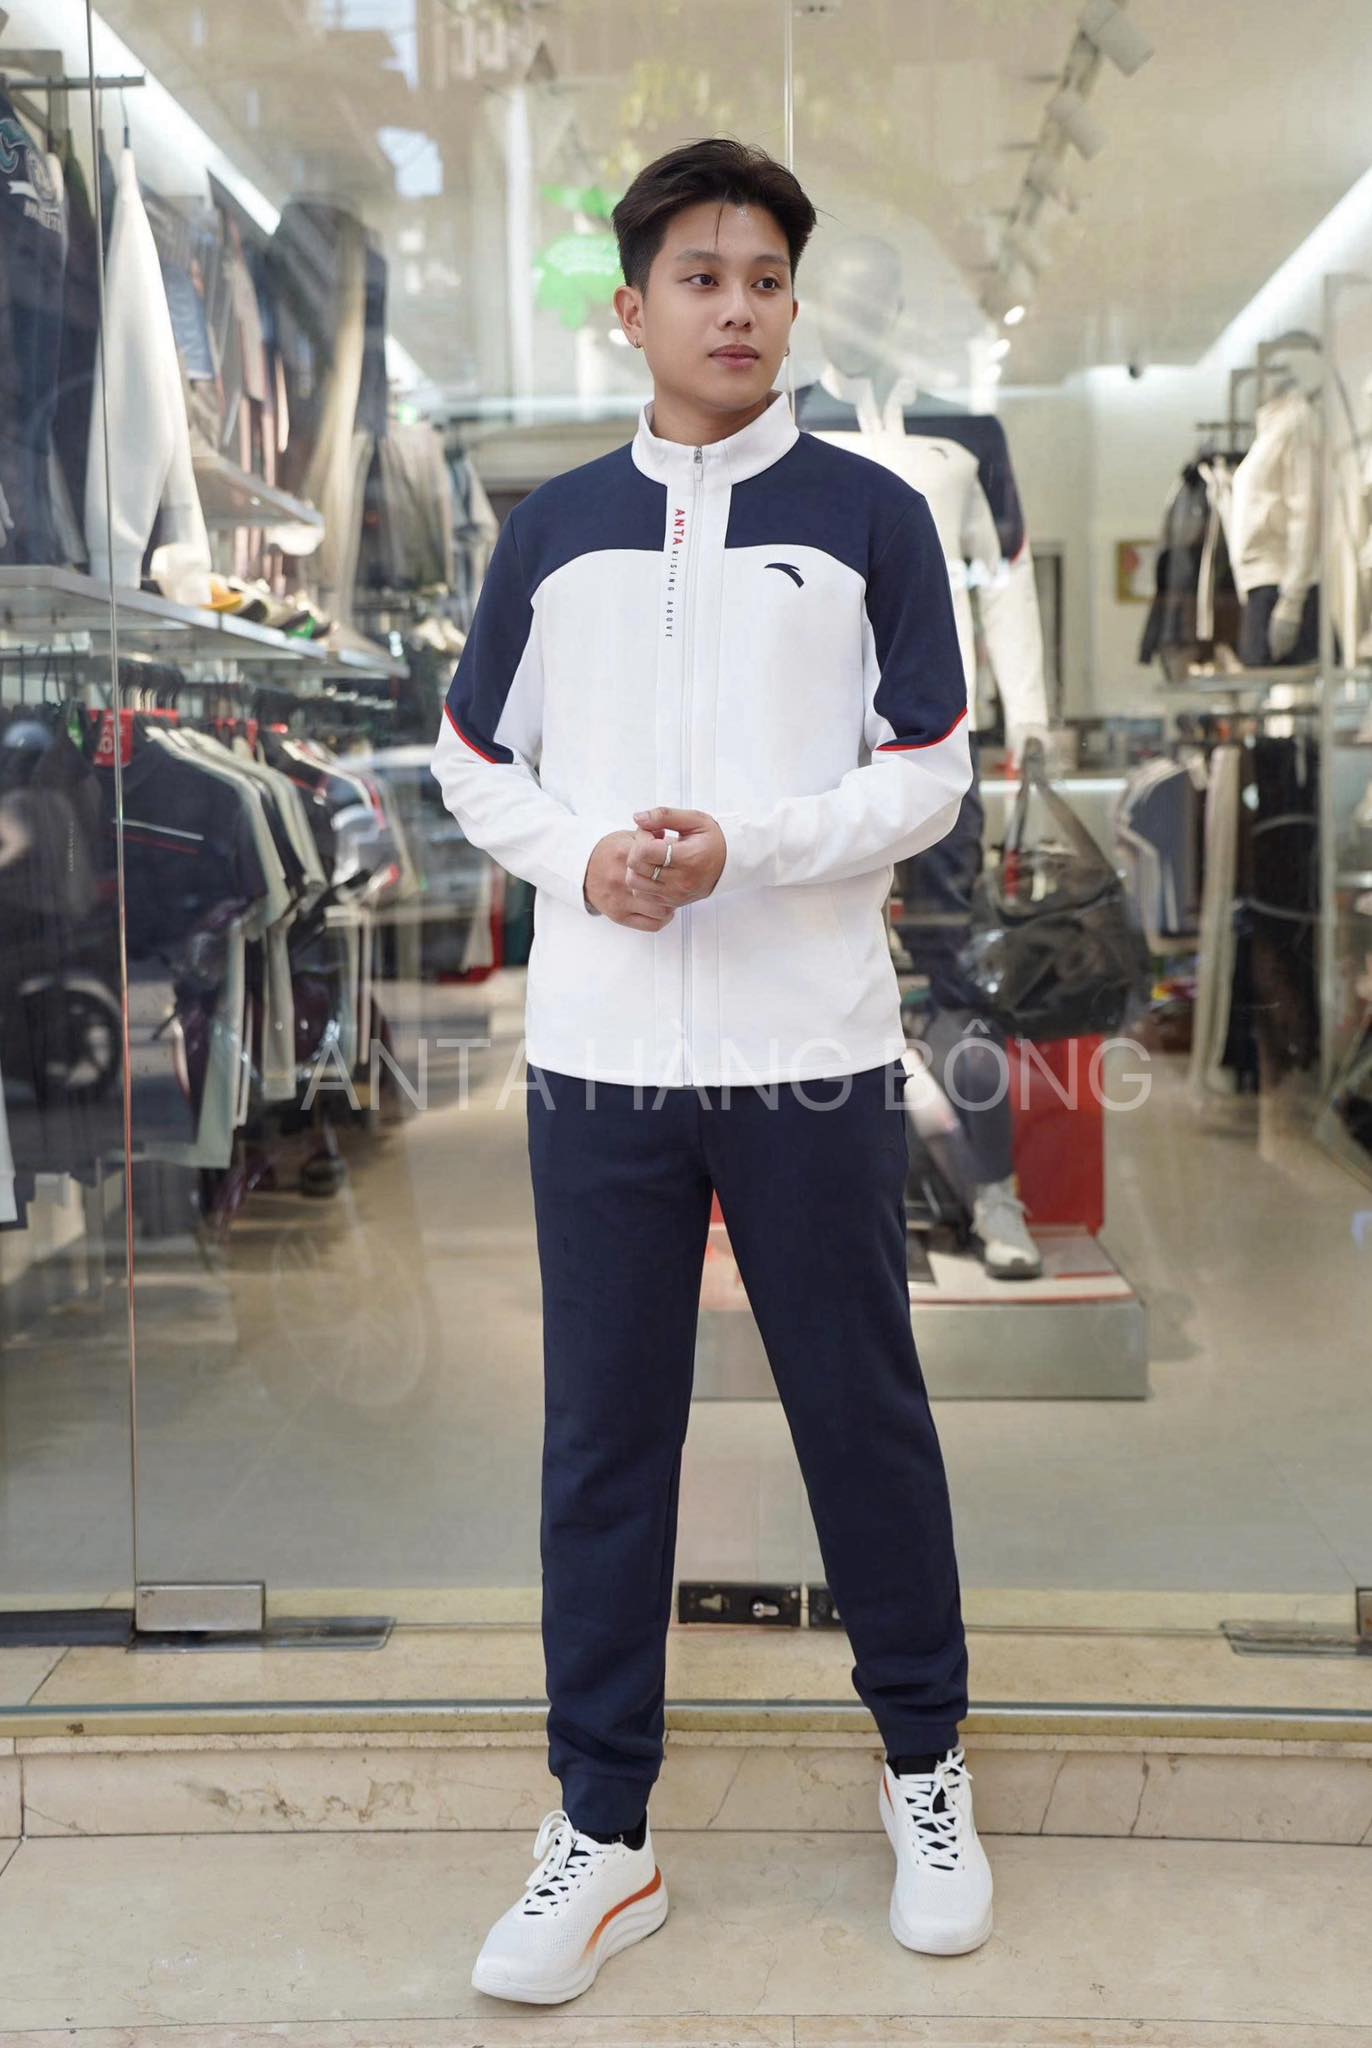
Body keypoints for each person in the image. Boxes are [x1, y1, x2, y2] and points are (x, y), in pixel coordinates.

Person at [431, 135, 994, 2007]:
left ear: (790, 305)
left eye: (764, 279)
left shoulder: (870, 514)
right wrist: (583, 860)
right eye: (701, 276)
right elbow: (469, 756)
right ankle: (603, 1832)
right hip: (599, 1060)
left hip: (808, 1050)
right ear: (634, 307)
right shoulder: (555, 528)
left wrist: (744, 850)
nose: (737, 307)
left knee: (861, 1417)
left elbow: (930, 766)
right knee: (604, 1441)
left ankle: (926, 1770)